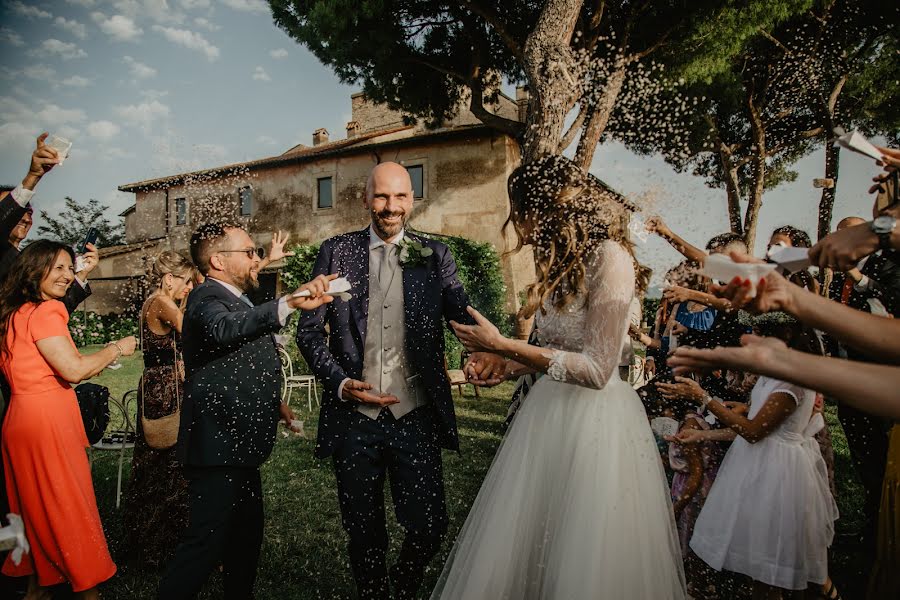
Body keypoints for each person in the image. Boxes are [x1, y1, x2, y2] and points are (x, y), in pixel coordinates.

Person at [434, 156, 686, 598]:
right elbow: (558, 352)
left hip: (596, 429)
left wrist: (503, 345)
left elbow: (596, 369)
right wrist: (507, 364)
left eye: (519, 207)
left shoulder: (611, 259)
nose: (515, 221)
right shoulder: (563, 265)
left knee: (584, 555)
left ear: (544, 206)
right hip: (547, 418)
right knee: (535, 543)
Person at [296, 162, 475, 600]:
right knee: (363, 531)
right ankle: (375, 593)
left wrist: (483, 351)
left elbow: (460, 315)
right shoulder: (336, 252)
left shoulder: (436, 256)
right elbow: (308, 332)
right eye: (381, 197)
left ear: (412, 200)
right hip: (355, 418)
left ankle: (404, 586)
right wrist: (339, 382)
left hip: (415, 414)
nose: (390, 207)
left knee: (430, 526)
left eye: (399, 197)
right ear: (365, 200)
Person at [157, 222, 335, 600]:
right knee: (202, 548)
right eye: (250, 252)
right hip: (217, 446)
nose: (256, 258)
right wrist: (288, 302)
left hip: (238, 446)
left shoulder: (236, 297)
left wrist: (278, 405)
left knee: (245, 543)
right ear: (219, 261)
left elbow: (240, 362)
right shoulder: (206, 298)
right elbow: (226, 330)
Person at [0, 240, 136, 599]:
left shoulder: (14, 312)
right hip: (47, 421)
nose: (67, 275)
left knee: (32, 508)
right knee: (68, 505)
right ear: (34, 270)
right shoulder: (46, 312)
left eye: (69, 268)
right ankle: (87, 586)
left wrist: (82, 273)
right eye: (58, 268)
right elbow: (73, 370)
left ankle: (35, 587)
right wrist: (116, 349)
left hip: (19, 419)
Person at [682, 318, 838, 597]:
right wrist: (704, 433)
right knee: (760, 569)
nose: (749, 338)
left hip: (778, 476)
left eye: (757, 333)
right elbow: (756, 422)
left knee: (773, 569)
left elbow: (753, 432)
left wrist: (705, 399)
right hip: (756, 466)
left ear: (782, 338)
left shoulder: (793, 380)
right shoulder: (773, 372)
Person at [122, 251, 195, 568]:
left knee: (163, 467)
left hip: (161, 385)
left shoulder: (160, 300)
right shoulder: (161, 302)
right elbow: (193, 333)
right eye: (186, 281)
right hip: (162, 392)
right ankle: (154, 547)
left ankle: (157, 542)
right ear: (169, 279)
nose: (189, 287)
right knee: (162, 465)